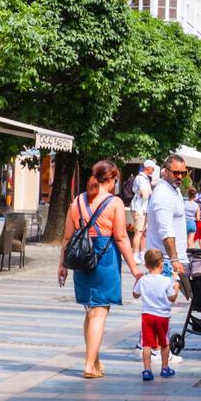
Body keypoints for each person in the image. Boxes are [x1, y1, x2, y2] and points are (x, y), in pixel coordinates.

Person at [59, 159, 141, 379]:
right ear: (112, 178)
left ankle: (94, 361)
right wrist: (134, 267)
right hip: (104, 258)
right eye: (116, 179)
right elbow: (122, 237)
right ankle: (88, 365)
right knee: (99, 312)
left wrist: (62, 265)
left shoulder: (77, 201)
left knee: (90, 311)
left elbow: (67, 237)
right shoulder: (113, 203)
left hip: (81, 259)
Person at [132, 249, 179, 381]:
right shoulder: (166, 281)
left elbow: (135, 295)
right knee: (164, 342)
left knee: (146, 344)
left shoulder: (143, 280)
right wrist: (176, 287)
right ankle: (165, 368)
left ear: (146, 265)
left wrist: (138, 280)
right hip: (162, 316)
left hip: (147, 315)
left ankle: (147, 370)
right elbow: (171, 298)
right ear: (161, 264)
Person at [146, 154, 189, 285]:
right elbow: (166, 231)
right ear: (165, 171)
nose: (180, 176)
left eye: (183, 173)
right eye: (176, 173)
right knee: (161, 303)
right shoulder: (163, 194)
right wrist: (174, 259)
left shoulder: (173, 189)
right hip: (164, 262)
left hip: (169, 260)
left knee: (165, 303)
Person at [130, 160, 156, 265]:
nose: (154, 170)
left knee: (143, 233)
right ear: (148, 167)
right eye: (153, 168)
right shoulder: (140, 178)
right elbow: (145, 194)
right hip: (139, 208)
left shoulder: (145, 178)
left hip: (144, 208)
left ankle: (141, 254)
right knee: (138, 232)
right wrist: (145, 194)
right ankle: (134, 255)